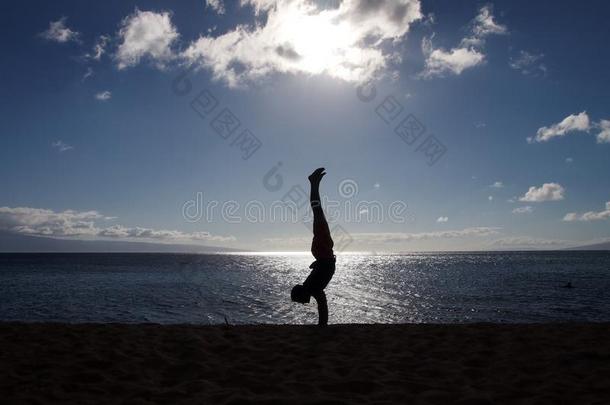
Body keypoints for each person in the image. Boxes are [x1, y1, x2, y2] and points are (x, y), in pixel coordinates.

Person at [291, 168, 336, 326]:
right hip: (321, 253)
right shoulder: (310, 287)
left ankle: (313, 183)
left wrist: (322, 326)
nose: (304, 303)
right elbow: (319, 271)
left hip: (322, 250)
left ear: (302, 294)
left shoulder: (313, 288)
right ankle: (314, 183)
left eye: (301, 301)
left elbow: (323, 306)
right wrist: (317, 264)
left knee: (316, 209)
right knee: (317, 210)